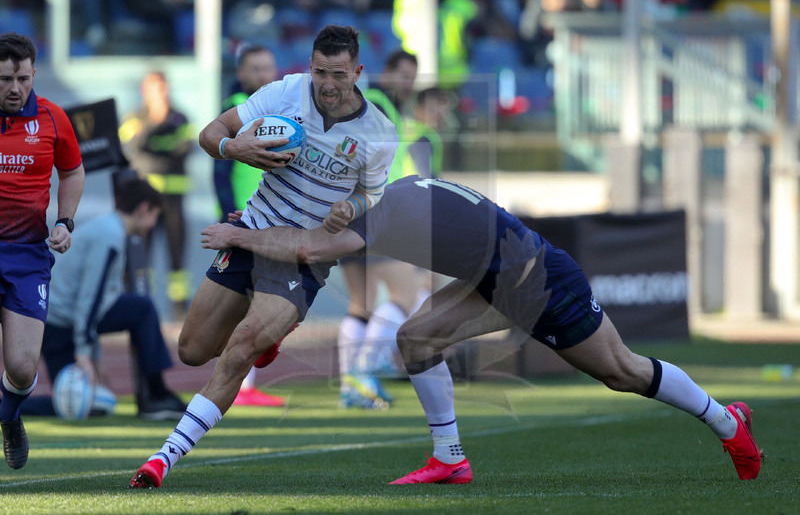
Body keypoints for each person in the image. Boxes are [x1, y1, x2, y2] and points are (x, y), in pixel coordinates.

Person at [199, 175, 762, 484]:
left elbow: (309, 250)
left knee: (622, 371)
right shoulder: (391, 195)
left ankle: (725, 420)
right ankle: (450, 457)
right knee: (416, 338)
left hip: (537, 280)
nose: (326, 207)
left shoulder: (377, 212)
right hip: (497, 277)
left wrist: (240, 237)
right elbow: (317, 247)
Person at [129, 24, 398, 489]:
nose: (327, 84)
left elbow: (372, 193)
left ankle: (163, 457)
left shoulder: (379, 132)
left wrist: (351, 208)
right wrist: (233, 147)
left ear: (357, 72)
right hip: (252, 228)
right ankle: (267, 335)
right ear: (309, 67)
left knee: (239, 351)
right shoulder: (285, 93)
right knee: (192, 350)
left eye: (338, 74)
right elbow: (211, 133)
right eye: (320, 72)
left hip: (303, 255)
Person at [26, 177, 186, 421]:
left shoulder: (108, 228)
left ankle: (157, 394)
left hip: (59, 321)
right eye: (156, 215)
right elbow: (89, 299)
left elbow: (95, 303)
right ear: (144, 209)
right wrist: (85, 354)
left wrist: (95, 355)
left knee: (79, 403)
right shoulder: (110, 236)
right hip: (60, 327)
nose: (155, 224)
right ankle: (157, 394)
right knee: (72, 404)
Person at [0, 32, 86, 469]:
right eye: (4, 80)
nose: (15, 88)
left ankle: (9, 416)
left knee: (22, 367)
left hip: (27, 255)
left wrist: (65, 221)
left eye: (23, 79)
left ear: (34, 73)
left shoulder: (52, 118)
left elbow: (72, 172)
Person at [337, 49, 420, 409]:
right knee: (406, 295)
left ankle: (350, 388)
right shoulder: (377, 105)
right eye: (403, 75)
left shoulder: (371, 104)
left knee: (362, 304)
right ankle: (364, 371)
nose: (409, 83)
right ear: (386, 73)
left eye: (412, 77)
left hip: (350, 213)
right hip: (377, 212)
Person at [212, 43, 284, 408]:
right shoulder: (238, 109)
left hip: (272, 217)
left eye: (268, 68)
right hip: (243, 217)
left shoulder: (279, 110)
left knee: (260, 296)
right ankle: (241, 382)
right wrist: (228, 212)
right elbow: (219, 170)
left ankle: (245, 378)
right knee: (246, 298)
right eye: (255, 68)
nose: (263, 75)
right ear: (241, 73)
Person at [119, 70, 195, 320]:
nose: (161, 94)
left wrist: (155, 146)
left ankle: (179, 310)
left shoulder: (181, 117)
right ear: (145, 91)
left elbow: (185, 149)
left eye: (163, 88)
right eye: (155, 89)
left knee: (177, 256)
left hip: (174, 199)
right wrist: (155, 125)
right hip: (145, 201)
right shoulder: (134, 118)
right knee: (142, 255)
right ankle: (142, 306)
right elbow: (134, 147)